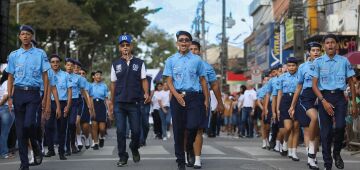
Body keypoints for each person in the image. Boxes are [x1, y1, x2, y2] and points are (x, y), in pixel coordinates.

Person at [6, 25, 51, 170]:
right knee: (20, 131)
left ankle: (36, 145)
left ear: (32, 36)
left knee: (29, 124)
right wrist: (10, 97)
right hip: (18, 93)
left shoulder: (40, 54)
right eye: (22, 34)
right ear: (19, 36)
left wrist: (44, 97)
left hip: (33, 93)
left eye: (28, 34)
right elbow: (10, 77)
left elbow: (45, 76)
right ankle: (24, 164)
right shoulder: (13, 55)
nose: (25, 36)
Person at [163, 31, 209, 170]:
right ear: (177, 43)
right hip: (178, 97)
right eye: (181, 40)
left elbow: (202, 80)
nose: (184, 42)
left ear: (189, 43)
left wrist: (206, 99)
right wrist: (176, 95)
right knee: (178, 130)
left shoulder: (197, 60)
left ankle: (189, 147)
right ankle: (180, 162)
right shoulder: (171, 60)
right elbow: (169, 80)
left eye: (187, 40)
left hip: (194, 97)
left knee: (193, 126)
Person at [311, 34, 358, 170]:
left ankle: (336, 153)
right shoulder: (318, 62)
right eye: (327, 43)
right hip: (324, 97)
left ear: (336, 45)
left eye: (332, 42)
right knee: (325, 133)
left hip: (339, 98)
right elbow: (314, 85)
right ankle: (327, 164)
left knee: (340, 127)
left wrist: (353, 103)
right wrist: (323, 101)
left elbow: (351, 82)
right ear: (324, 46)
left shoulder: (344, 61)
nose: (330, 45)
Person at [110, 34, 150, 167]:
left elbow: (144, 80)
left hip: (135, 103)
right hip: (119, 103)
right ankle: (123, 156)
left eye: (127, 45)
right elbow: (113, 84)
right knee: (120, 131)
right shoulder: (115, 64)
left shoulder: (139, 63)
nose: (125, 47)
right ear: (119, 48)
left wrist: (146, 93)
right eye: (123, 45)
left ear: (131, 46)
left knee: (137, 131)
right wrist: (111, 101)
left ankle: (134, 147)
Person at [189, 40, 224, 168]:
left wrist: (220, 103)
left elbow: (214, 85)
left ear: (200, 51)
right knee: (187, 130)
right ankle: (189, 153)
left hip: (202, 98)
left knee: (199, 129)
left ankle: (197, 159)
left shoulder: (207, 67)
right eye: (190, 49)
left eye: (195, 49)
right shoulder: (182, 65)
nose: (193, 51)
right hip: (186, 98)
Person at [289, 42, 322, 169]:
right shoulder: (303, 67)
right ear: (309, 52)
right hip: (307, 97)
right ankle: (311, 157)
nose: (315, 52)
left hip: (322, 95)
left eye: (318, 50)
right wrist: (292, 105)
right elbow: (298, 88)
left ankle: (312, 154)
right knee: (311, 123)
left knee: (317, 132)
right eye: (313, 50)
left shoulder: (325, 64)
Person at [44, 54, 72, 160]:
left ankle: (61, 152)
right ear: (50, 63)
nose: (55, 63)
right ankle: (51, 150)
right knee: (47, 126)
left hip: (63, 102)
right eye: (53, 62)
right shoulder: (47, 74)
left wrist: (68, 106)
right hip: (49, 103)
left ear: (60, 63)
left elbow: (70, 91)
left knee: (62, 129)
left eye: (57, 61)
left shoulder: (65, 75)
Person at [64, 58, 92, 153]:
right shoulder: (62, 75)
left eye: (75, 66)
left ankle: (73, 143)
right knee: (64, 125)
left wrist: (88, 104)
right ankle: (67, 146)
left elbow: (83, 91)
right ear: (65, 66)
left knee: (73, 123)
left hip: (76, 102)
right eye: (70, 65)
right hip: (63, 101)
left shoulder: (78, 78)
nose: (73, 67)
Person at [276, 57, 300, 160]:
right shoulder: (282, 77)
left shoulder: (300, 76)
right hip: (285, 101)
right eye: (289, 65)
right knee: (288, 127)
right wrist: (277, 108)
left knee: (296, 128)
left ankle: (293, 152)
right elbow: (279, 93)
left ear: (296, 66)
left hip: (298, 100)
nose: (291, 67)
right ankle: (285, 142)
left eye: (293, 65)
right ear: (286, 66)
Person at [89, 70, 111, 150]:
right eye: (97, 75)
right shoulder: (90, 86)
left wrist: (109, 111)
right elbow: (89, 98)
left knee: (102, 129)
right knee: (94, 126)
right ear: (93, 76)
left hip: (102, 106)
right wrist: (91, 109)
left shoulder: (104, 86)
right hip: (93, 105)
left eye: (100, 75)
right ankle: (96, 143)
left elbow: (106, 99)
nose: (99, 76)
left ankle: (102, 138)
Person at [0, 71, 15, 159]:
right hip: (6, 108)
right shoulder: (7, 83)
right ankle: (4, 153)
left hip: (3, 108)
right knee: (5, 132)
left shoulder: (2, 83)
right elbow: (6, 96)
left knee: (3, 132)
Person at [79, 68, 93, 149]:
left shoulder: (89, 85)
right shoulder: (75, 81)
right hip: (76, 102)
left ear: (85, 75)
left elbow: (90, 97)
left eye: (83, 73)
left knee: (85, 125)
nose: (81, 75)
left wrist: (90, 107)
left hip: (85, 103)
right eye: (79, 73)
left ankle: (86, 138)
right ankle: (77, 140)